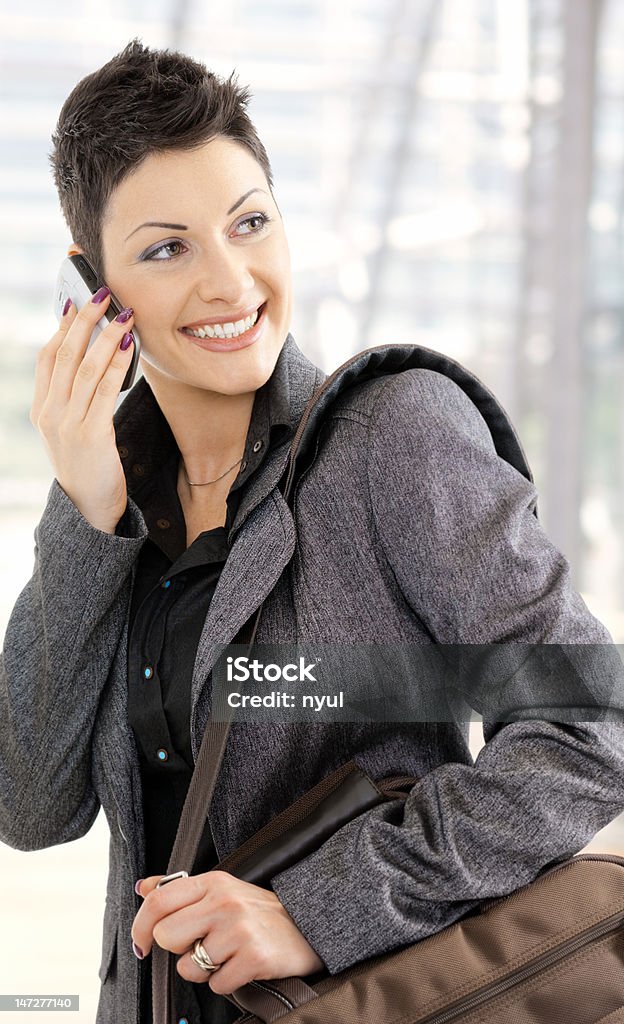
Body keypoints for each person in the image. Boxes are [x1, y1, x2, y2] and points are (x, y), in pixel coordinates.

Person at [1, 38, 624, 1024]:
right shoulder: (105, 489)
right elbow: (31, 807)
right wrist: (85, 520)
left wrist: (315, 909)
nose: (230, 283)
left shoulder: (393, 434)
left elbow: (594, 724)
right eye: (167, 248)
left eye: (249, 223)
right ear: (96, 284)